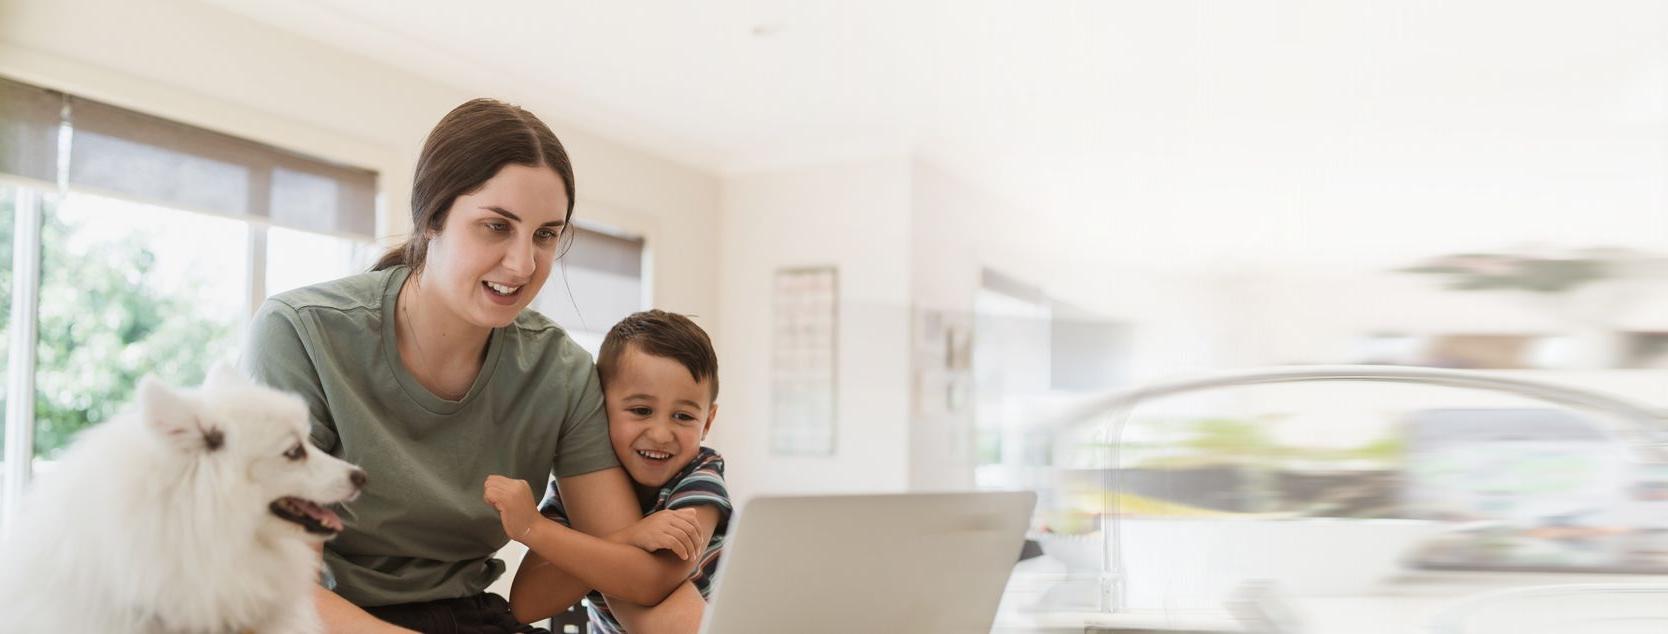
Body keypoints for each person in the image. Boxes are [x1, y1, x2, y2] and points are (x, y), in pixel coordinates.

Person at [241, 98, 662, 633]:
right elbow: (281, 584)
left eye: (545, 234)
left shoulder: (561, 372)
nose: (523, 264)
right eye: (495, 227)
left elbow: (624, 562)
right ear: (431, 218)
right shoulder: (301, 332)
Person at [484, 310, 730, 633]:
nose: (660, 433)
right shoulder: (576, 492)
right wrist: (630, 535)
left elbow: (655, 580)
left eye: (683, 416)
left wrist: (533, 528)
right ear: (598, 408)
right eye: (641, 411)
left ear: (707, 422)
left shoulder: (700, 477)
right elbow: (527, 603)